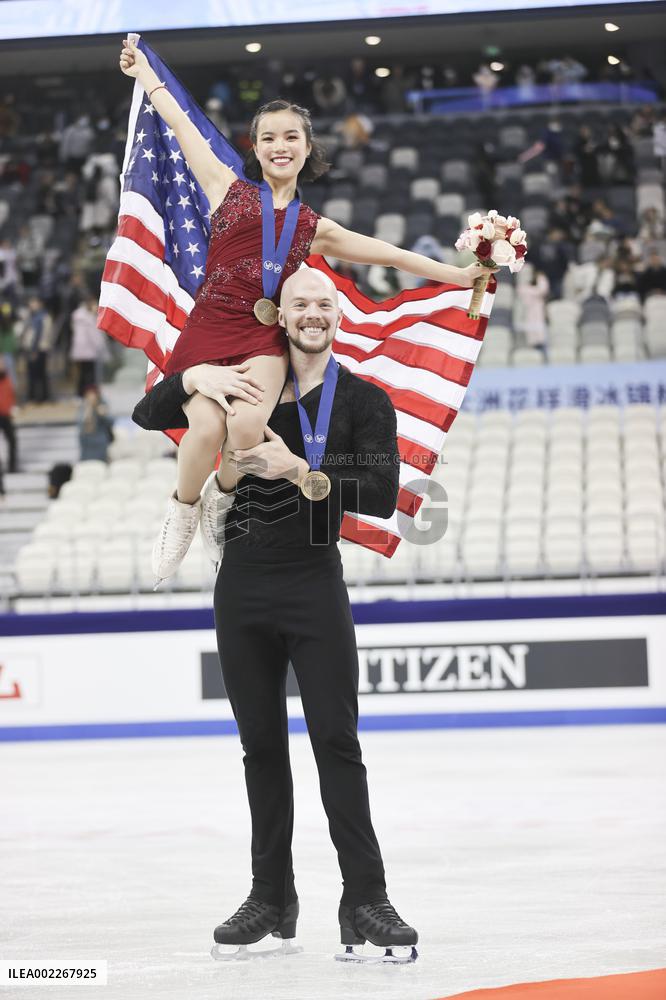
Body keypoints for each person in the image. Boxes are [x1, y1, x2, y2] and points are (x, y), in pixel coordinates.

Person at [118, 38, 491, 585]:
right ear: (256, 147)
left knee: (246, 427)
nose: (279, 145)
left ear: (306, 146)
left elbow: (387, 252)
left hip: (263, 337)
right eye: (268, 137)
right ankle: (181, 510)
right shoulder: (227, 188)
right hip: (211, 328)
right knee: (203, 432)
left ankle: (222, 503)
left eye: (291, 136)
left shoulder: (315, 227)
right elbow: (181, 125)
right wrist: (147, 75)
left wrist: (458, 276)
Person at [133, 266, 419, 964]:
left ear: (337, 314)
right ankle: (272, 897)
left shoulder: (362, 400)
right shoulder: (247, 382)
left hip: (315, 584)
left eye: (324, 302)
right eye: (301, 304)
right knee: (260, 747)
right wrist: (199, 376)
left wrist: (298, 468)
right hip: (244, 585)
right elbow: (150, 411)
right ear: (280, 315)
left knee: (336, 743)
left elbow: (382, 493)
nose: (313, 312)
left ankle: (366, 898)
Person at [70, 295, 109, 396]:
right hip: (89, 351)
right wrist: (104, 351)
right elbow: (96, 337)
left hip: (78, 350)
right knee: (90, 376)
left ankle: (80, 394)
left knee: (82, 374)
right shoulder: (89, 318)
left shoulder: (77, 316)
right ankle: (90, 395)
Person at [20, 295, 52, 404]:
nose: (31, 305)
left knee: (36, 375)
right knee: (38, 375)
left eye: (33, 303)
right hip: (38, 349)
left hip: (38, 350)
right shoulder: (35, 316)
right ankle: (41, 397)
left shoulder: (40, 317)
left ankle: (36, 398)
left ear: (39, 304)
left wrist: (34, 350)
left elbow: (37, 335)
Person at [78, 385, 113, 462]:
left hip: (100, 444)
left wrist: (102, 414)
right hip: (87, 445)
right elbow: (81, 426)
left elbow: (111, 422)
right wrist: (89, 409)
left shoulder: (102, 406)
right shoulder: (83, 408)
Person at [0, 359, 18, 474]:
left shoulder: (6, 379)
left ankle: (12, 467)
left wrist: (12, 408)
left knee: (12, 441)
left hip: (6, 415)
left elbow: (11, 395)